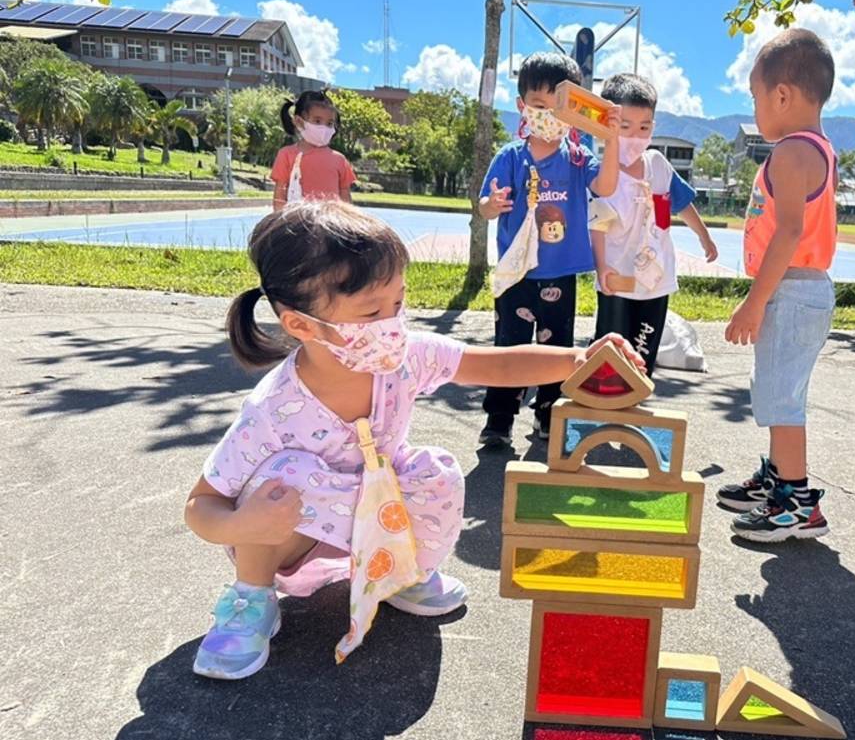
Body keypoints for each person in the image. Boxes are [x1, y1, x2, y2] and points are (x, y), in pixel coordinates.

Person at [187, 201, 644, 679]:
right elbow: (202, 504)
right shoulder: (274, 409)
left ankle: (402, 573)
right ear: (301, 324)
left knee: (434, 470)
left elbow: (494, 364)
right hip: (297, 528)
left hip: (375, 506)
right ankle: (251, 599)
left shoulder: (407, 356)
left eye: (398, 305)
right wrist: (246, 525)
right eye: (371, 312)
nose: (392, 325)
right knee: (280, 480)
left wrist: (578, 358)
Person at [717, 29, 839, 543]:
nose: (755, 106)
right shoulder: (817, 148)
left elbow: (788, 231)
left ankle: (794, 502)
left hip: (790, 290)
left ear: (782, 95)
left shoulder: (791, 152)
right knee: (777, 390)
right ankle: (777, 477)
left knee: (781, 399)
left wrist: (755, 301)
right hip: (800, 290)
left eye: (755, 95)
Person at [476, 52, 622, 446]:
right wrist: (492, 205)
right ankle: (499, 420)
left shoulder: (578, 159)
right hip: (517, 273)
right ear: (522, 106)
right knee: (510, 346)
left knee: (556, 349)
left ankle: (548, 416)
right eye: (539, 106)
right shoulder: (510, 157)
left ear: (573, 111)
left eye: (558, 108)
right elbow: (485, 207)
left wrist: (611, 140)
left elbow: (606, 188)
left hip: (560, 273)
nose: (547, 116)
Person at [587, 72, 719, 375]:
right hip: (616, 281)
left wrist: (704, 236)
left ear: (653, 127)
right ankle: (604, 408)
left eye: (644, 127)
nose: (635, 136)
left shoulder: (657, 165)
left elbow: (682, 203)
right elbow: (597, 226)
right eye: (625, 127)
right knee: (610, 356)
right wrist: (601, 266)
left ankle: (634, 406)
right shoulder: (602, 175)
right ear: (607, 125)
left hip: (655, 281)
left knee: (642, 359)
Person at [270, 90, 356, 211]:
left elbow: (345, 197)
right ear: (299, 122)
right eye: (317, 121)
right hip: (297, 224)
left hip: (330, 224)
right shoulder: (286, 154)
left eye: (329, 123)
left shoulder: (340, 159)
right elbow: (280, 195)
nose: (324, 128)